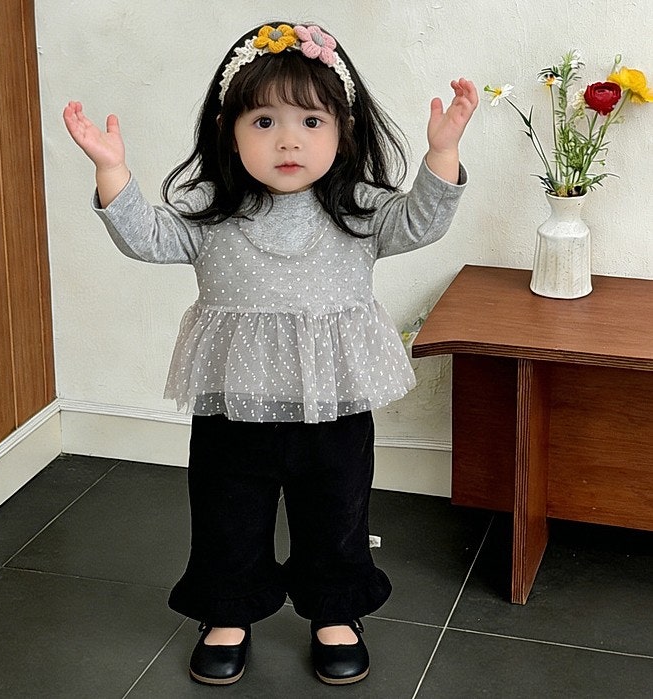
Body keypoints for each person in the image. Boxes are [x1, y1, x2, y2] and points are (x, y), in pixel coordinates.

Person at [64, 21, 477, 687]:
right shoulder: (211, 211)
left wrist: (443, 153)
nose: (288, 140)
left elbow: (421, 222)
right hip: (234, 404)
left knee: (337, 513)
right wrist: (112, 171)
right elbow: (147, 238)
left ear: (343, 129)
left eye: (311, 121)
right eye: (264, 121)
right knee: (226, 516)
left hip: (333, 405)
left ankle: (335, 611)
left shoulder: (357, 210)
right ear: (227, 130)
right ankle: (227, 611)